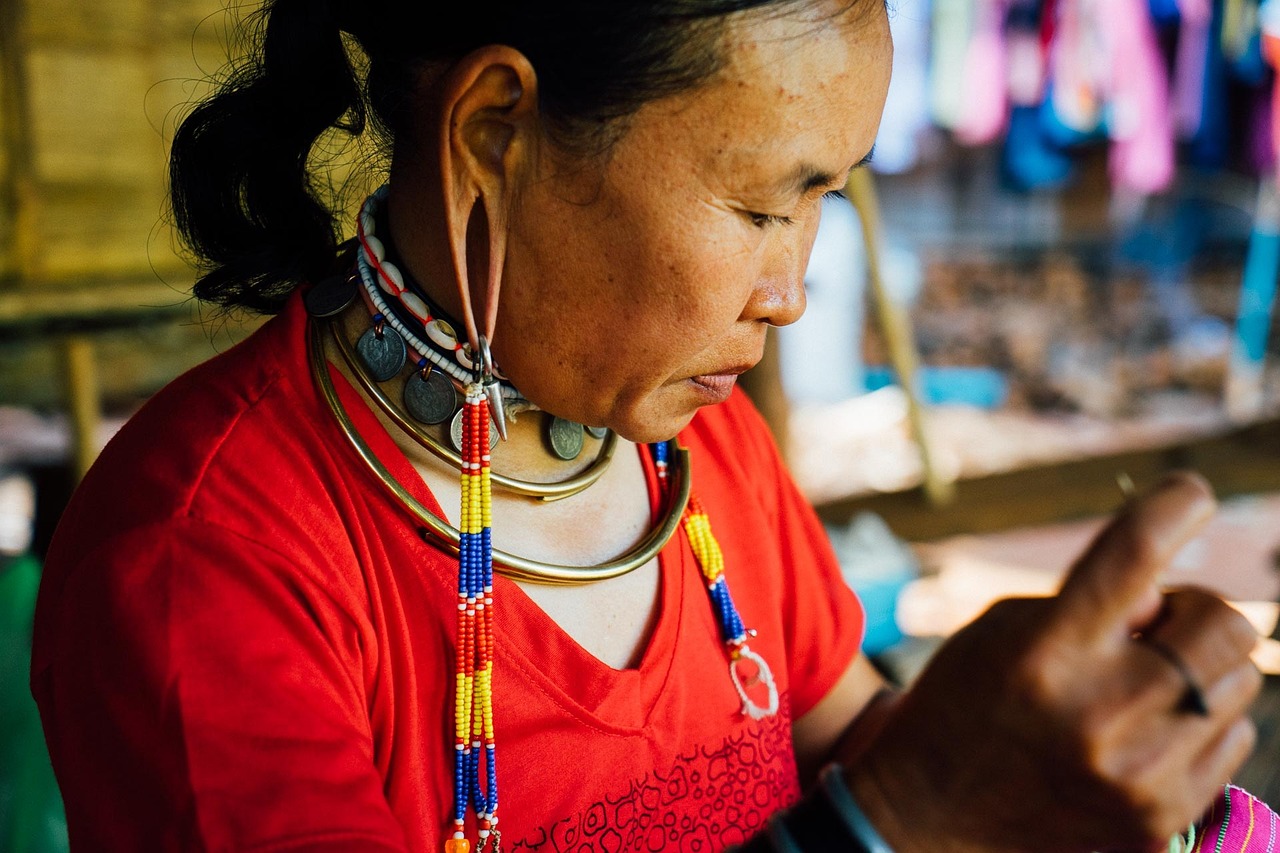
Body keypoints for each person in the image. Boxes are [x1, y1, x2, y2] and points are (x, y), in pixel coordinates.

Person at [30, 1, 1265, 850]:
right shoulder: (204, 562)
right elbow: (894, 802)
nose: (788, 291)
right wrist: (903, 823)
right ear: (493, 131)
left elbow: (848, 736)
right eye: (761, 208)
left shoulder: (695, 446)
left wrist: (1069, 777)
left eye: (825, 200)